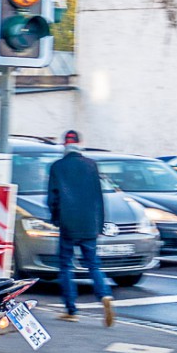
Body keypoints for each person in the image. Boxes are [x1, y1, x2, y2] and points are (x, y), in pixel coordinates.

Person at [47, 130, 116, 326]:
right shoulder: (91, 165)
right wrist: (100, 224)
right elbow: (98, 197)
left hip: (68, 223)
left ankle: (71, 310)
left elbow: (53, 198)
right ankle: (105, 295)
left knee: (66, 266)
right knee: (93, 264)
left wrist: (55, 219)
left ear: (64, 145)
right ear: (81, 143)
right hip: (89, 224)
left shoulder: (57, 167)